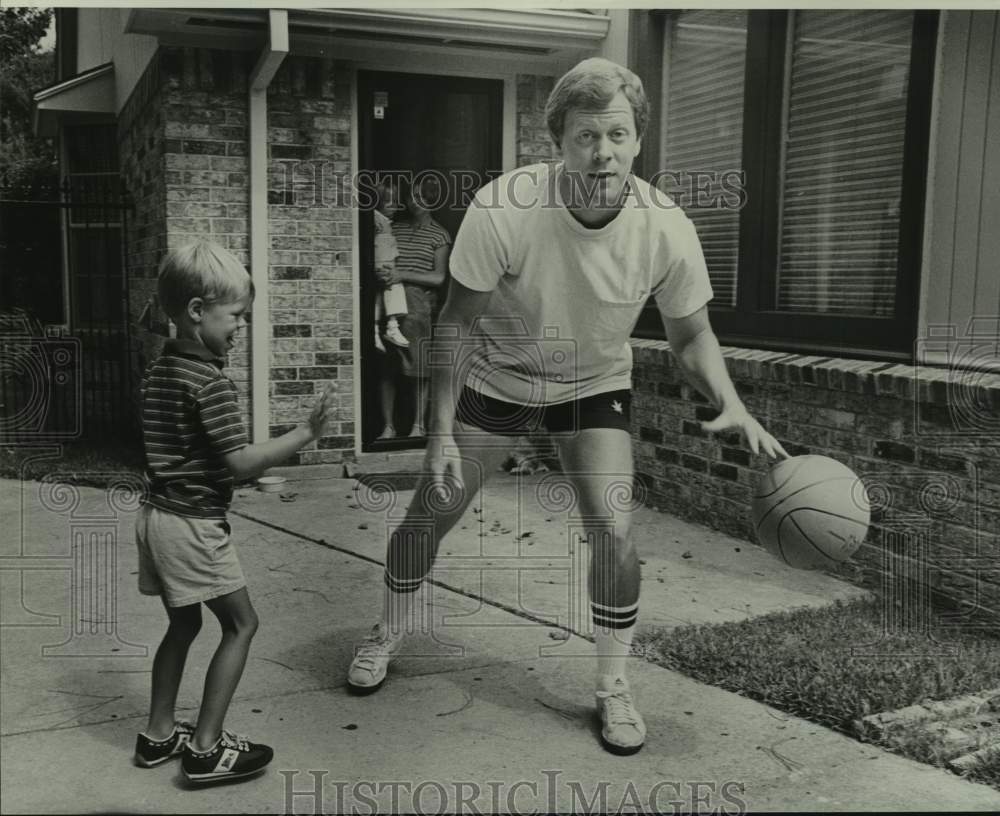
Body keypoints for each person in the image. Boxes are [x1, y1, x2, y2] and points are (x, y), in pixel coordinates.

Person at [346, 58, 787, 756]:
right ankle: (388, 629)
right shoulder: (505, 207)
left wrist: (729, 400)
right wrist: (438, 434)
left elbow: (691, 334)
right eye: (586, 135)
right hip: (498, 377)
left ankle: (613, 686)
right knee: (432, 510)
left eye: (617, 134)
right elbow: (455, 323)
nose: (602, 152)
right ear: (559, 141)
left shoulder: (665, 227)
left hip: (591, 386)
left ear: (638, 140)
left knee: (614, 529)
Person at [133, 239, 335, 783]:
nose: (241, 327)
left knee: (183, 624)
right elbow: (239, 462)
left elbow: (176, 447)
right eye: (236, 315)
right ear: (197, 311)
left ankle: (157, 734)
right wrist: (304, 433)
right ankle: (205, 748)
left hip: (155, 517)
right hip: (192, 525)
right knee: (242, 625)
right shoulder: (209, 382)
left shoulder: (160, 370)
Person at [375, 175, 452, 439]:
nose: (414, 202)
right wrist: (383, 273)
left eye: (421, 198)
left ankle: (419, 425)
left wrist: (402, 274)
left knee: (419, 368)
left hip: (419, 307)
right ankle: (388, 426)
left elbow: (439, 277)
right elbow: (382, 255)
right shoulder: (395, 227)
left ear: (432, 200)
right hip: (389, 302)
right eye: (411, 197)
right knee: (388, 368)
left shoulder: (439, 235)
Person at [372, 177, 409, 353]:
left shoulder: (384, 221)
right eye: (388, 201)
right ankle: (392, 326)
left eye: (395, 202)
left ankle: (378, 330)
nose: (394, 207)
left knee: (380, 296)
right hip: (382, 263)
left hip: (384, 261)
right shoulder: (376, 219)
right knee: (394, 286)